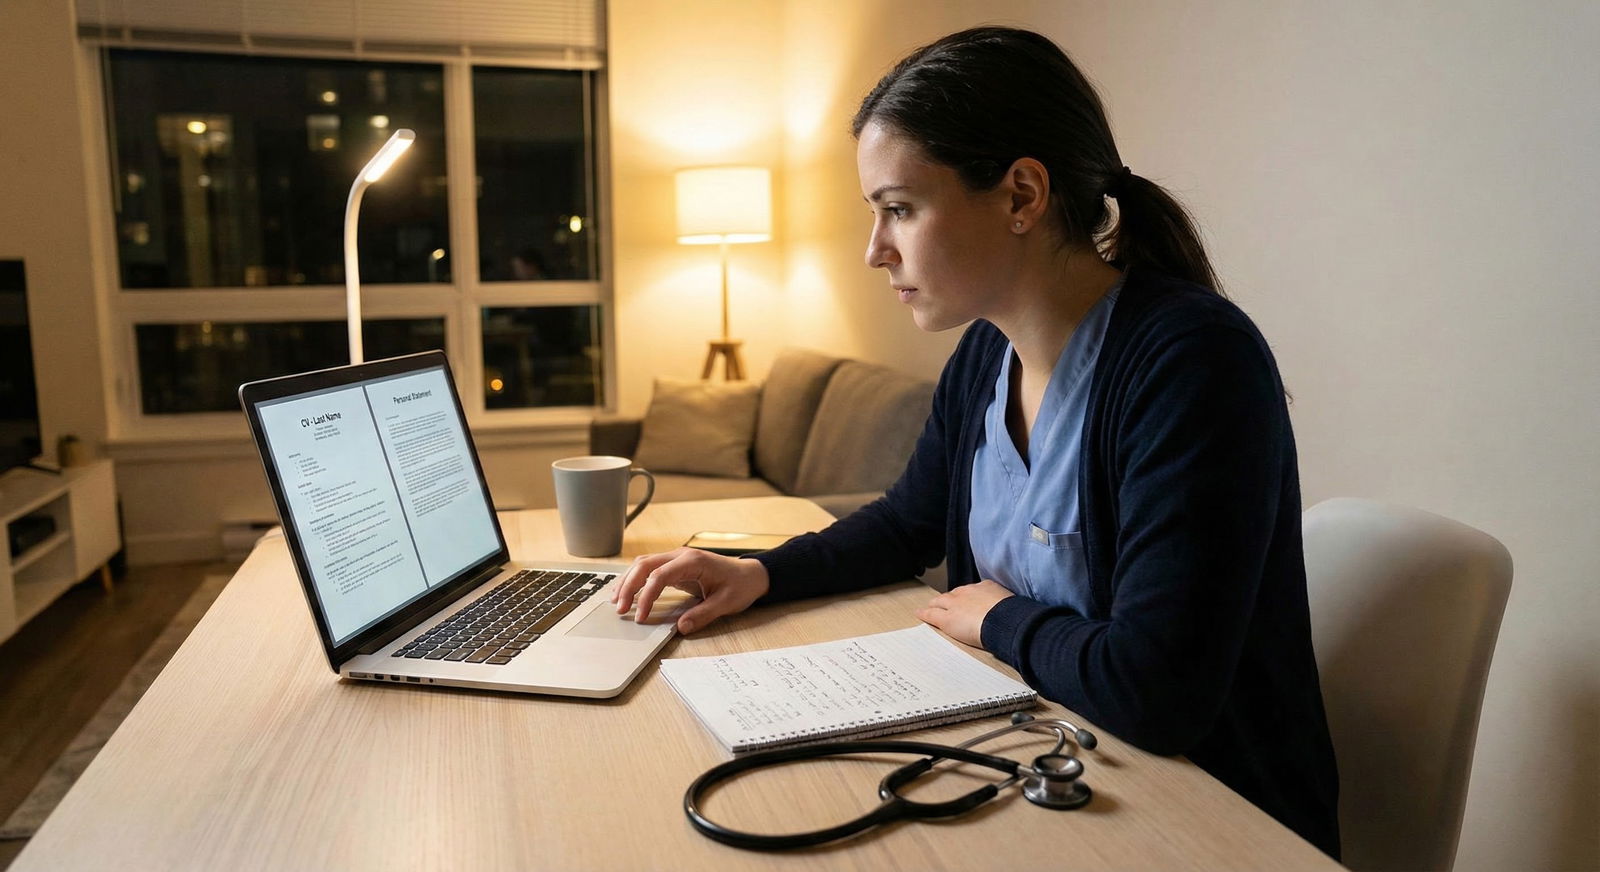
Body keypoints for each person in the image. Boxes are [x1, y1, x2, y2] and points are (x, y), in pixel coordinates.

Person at [611, 25, 1341, 858]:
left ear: (1022, 196)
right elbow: (906, 525)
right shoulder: (987, 353)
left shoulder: (1191, 363)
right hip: (1049, 768)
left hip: (1212, 822)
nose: (875, 250)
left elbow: (1155, 691)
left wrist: (1000, 620)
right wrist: (762, 572)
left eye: (899, 209)